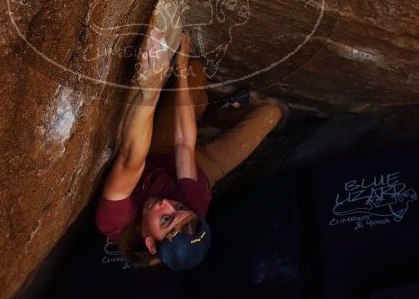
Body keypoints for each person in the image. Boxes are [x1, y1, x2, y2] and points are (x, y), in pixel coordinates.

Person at [95, 27, 286, 270]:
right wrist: (181, 70)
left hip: (157, 152)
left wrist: (149, 91)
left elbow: (131, 158)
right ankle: (218, 118)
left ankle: (211, 116)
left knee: (189, 82)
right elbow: (184, 143)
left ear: (151, 244)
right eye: (179, 208)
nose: (167, 203)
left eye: (165, 219)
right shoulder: (193, 203)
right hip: (201, 167)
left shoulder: (115, 220)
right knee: (270, 113)